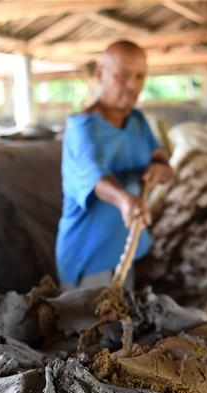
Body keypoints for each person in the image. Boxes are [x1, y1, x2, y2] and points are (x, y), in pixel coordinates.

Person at [56, 40, 174, 289]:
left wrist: (160, 170)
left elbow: (161, 160)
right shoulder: (82, 129)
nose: (133, 86)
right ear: (101, 74)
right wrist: (124, 200)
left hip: (123, 248)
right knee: (93, 324)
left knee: (120, 319)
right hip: (88, 255)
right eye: (122, 76)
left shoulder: (138, 121)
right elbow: (96, 179)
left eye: (140, 76)